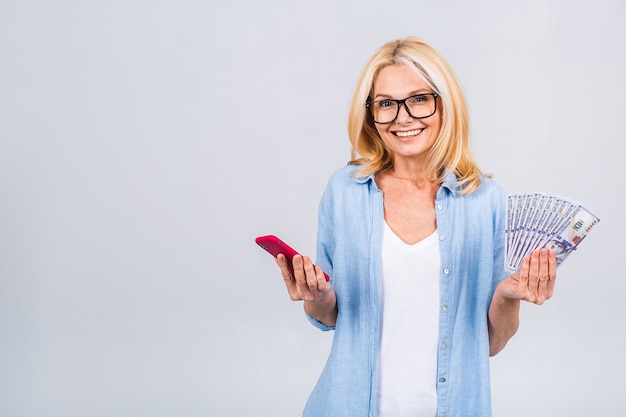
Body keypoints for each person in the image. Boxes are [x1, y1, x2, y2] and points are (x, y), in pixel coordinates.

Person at [274, 36, 557, 417]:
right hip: (346, 405)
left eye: (419, 99)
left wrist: (507, 296)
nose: (403, 117)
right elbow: (329, 317)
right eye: (386, 104)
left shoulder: (487, 201)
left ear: (445, 103)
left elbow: (490, 342)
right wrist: (316, 297)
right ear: (371, 113)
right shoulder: (344, 191)